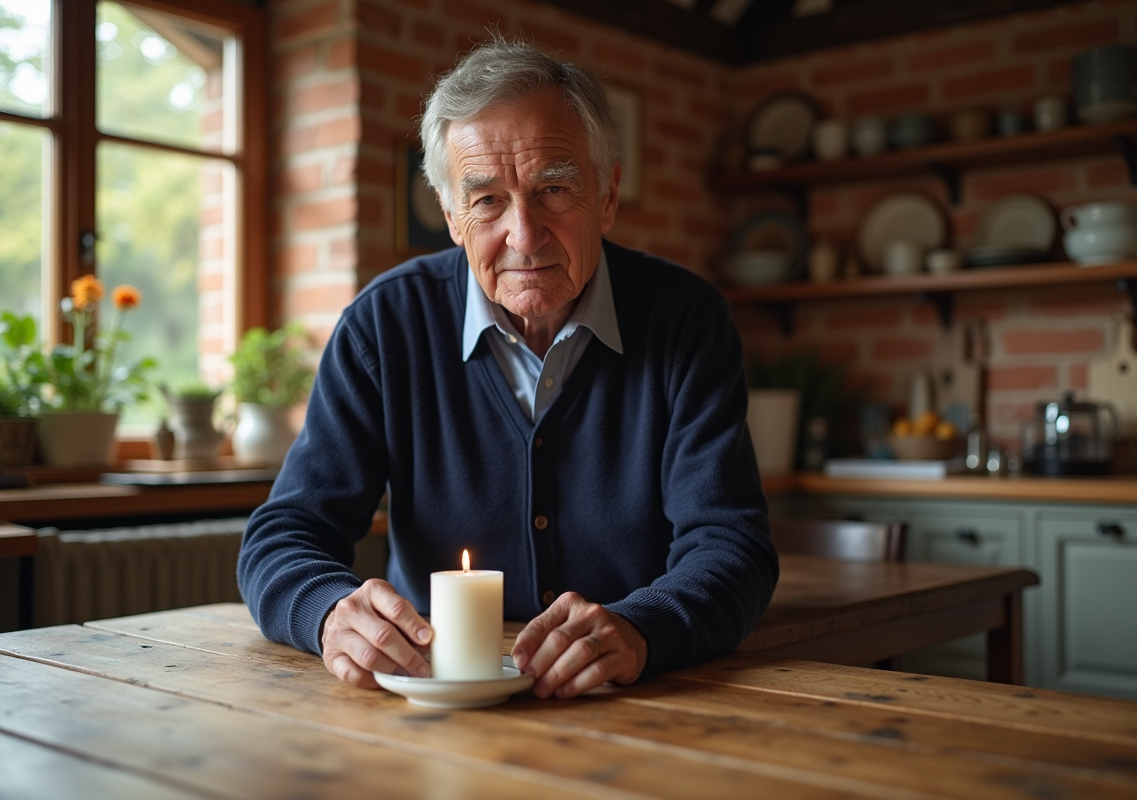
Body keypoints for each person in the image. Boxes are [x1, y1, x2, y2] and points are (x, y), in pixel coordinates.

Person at [237, 39, 778, 700]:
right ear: (451, 216)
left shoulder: (686, 320)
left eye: (553, 189)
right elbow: (283, 536)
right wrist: (326, 612)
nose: (524, 235)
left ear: (606, 197)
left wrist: (644, 627)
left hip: (633, 698)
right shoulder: (384, 327)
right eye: (487, 200)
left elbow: (733, 546)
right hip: (429, 707)